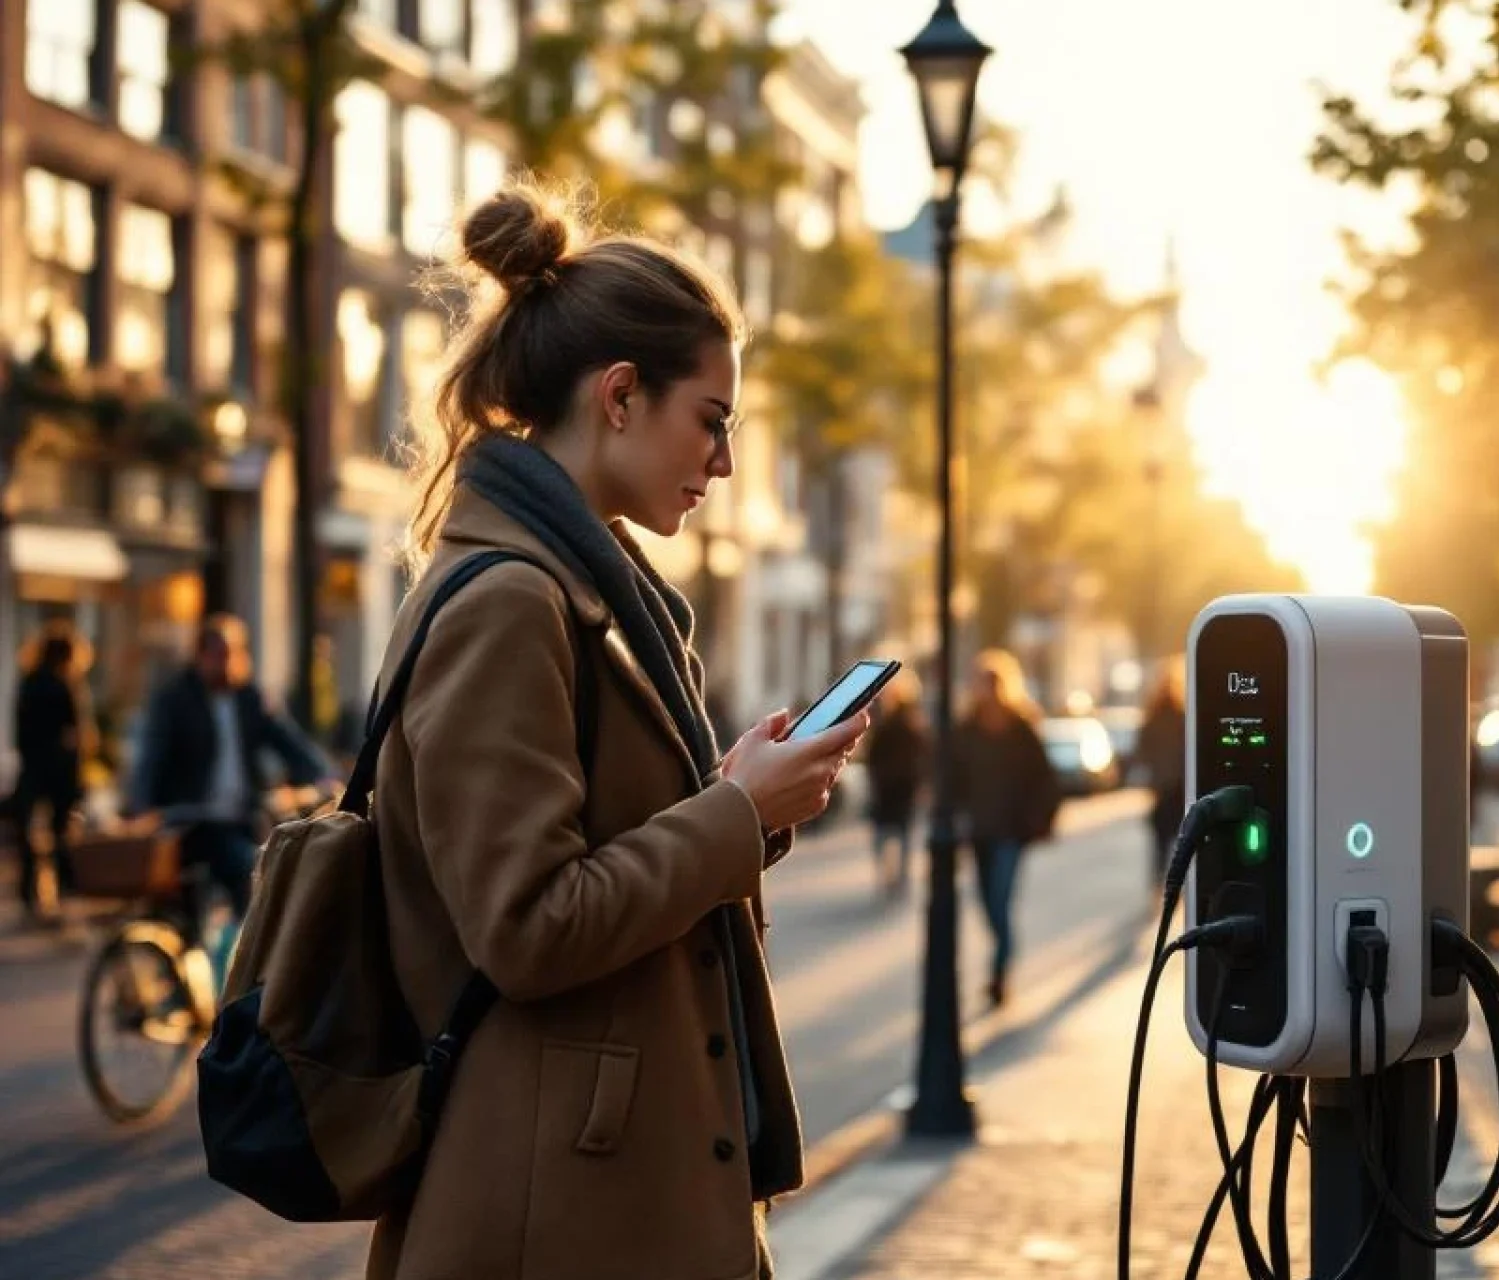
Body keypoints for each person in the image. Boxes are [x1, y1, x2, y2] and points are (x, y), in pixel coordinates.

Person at [363, 182, 868, 1280]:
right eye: (715, 419)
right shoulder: (511, 601)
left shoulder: (588, 591)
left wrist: (741, 799)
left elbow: (601, 851)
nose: (725, 461)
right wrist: (733, 813)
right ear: (623, 394)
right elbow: (529, 924)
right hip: (556, 1208)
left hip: (604, 1183)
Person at [124, 614, 336, 918]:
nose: (227, 663)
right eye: (219, 655)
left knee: (262, 881)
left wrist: (326, 775)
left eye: (233, 654)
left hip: (238, 819)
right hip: (187, 821)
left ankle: (234, 949)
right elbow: (151, 757)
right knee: (225, 883)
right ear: (200, 656)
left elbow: (289, 742)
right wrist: (142, 807)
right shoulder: (174, 700)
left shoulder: (249, 699)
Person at [953, 649, 1059, 1009]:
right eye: (982, 683)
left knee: (1000, 902)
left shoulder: (1021, 727)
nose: (988, 690)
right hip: (978, 833)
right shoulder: (966, 729)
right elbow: (950, 778)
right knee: (986, 904)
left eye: (993, 683)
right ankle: (1001, 959)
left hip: (1011, 833)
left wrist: (1040, 821)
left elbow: (1045, 779)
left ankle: (999, 976)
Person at [11, 622, 88, 913]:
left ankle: (30, 890)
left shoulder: (29, 681)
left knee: (29, 830)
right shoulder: (65, 685)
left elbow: (20, 730)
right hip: (59, 768)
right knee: (60, 831)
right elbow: (76, 733)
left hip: (32, 765)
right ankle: (63, 889)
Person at [865, 669, 928, 896]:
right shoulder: (895, 719)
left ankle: (894, 878)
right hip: (895, 787)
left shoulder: (904, 720)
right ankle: (896, 878)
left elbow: (922, 754)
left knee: (892, 835)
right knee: (897, 834)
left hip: (897, 787)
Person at [1136, 655, 1187, 894]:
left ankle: (1159, 888)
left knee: (1161, 844)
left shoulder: (1153, 716)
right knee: (1181, 842)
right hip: (1177, 787)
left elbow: (1143, 749)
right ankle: (1174, 888)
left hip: (1165, 788)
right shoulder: (1181, 715)